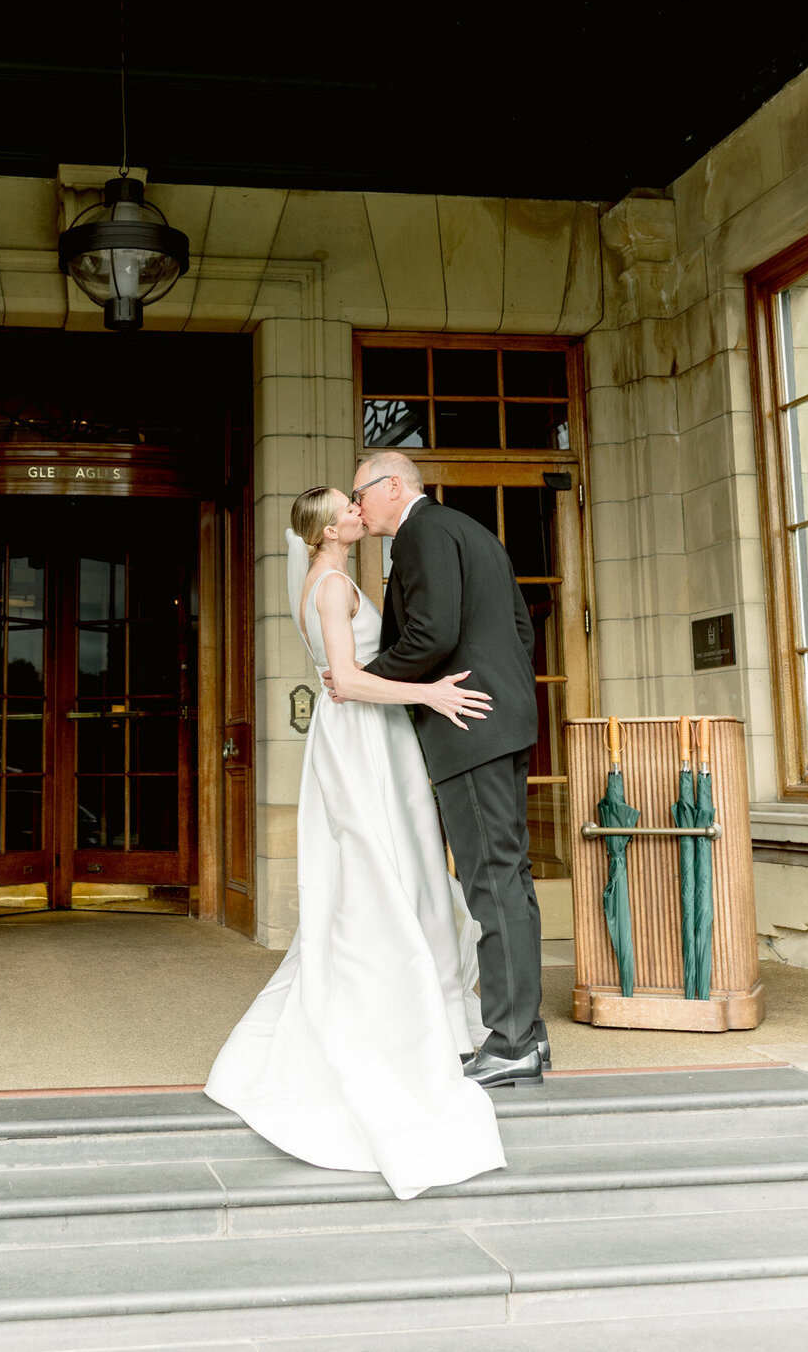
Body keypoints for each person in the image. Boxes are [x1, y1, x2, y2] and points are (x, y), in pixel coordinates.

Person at [204, 485, 506, 1200]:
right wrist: (431, 694)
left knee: (395, 866)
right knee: (384, 869)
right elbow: (343, 680)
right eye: (346, 508)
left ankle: (428, 998)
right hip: (365, 739)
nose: (356, 512)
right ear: (325, 531)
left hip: (363, 736)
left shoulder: (327, 577)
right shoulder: (334, 585)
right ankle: (398, 1005)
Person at [353, 450, 547, 1090]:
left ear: (391, 486)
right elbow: (522, 631)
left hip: (469, 729)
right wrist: (504, 697)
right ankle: (529, 1035)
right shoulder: (472, 532)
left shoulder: (419, 535)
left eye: (361, 493)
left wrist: (363, 680)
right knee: (509, 876)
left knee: (492, 882)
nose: (358, 506)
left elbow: (431, 636)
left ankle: (511, 1041)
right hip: (502, 721)